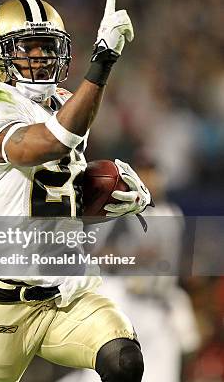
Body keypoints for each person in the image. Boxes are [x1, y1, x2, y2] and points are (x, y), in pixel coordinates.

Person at [0, 0, 151, 381]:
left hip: (68, 292)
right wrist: (103, 61)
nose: (41, 58)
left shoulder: (63, 100)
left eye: (47, 48)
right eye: (28, 48)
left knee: (124, 360)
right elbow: (42, 146)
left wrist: (118, 196)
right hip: (4, 298)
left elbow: (53, 200)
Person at [57, 159, 200, 382]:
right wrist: (135, 257)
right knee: (107, 367)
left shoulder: (173, 214)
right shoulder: (118, 210)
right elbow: (93, 253)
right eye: (145, 174)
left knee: (161, 371)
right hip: (122, 296)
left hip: (158, 303)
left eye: (154, 173)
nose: (151, 180)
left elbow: (175, 260)